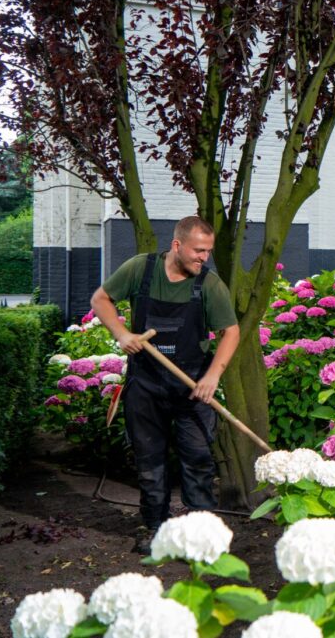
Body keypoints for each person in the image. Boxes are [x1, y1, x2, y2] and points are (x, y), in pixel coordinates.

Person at [90, 216, 239, 552]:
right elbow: (100, 300)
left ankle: (201, 539)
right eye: (199, 250)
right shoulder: (140, 270)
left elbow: (231, 331)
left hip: (192, 386)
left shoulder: (209, 285)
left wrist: (213, 375)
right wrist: (122, 333)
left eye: (208, 251)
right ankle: (158, 534)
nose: (204, 258)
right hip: (146, 384)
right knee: (150, 463)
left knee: (198, 460)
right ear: (176, 245)